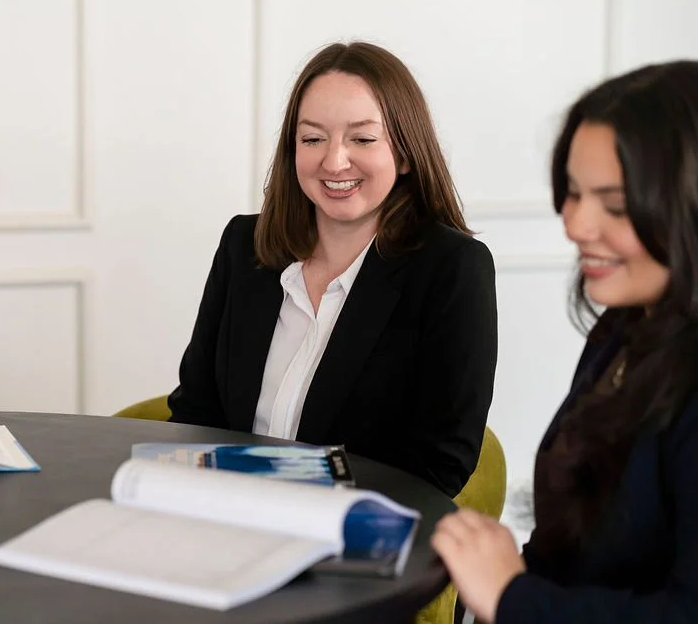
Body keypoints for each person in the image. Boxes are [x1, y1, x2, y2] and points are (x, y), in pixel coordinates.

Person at [167, 41, 498, 497]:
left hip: (349, 533)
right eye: (312, 138)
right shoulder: (243, 246)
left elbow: (440, 464)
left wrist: (276, 488)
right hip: (226, 518)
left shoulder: (452, 269)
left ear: (404, 153)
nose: (334, 161)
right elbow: (195, 414)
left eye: (362, 139)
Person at [432, 61, 698, 623]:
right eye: (572, 194)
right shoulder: (621, 331)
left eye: (615, 204)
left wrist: (511, 596)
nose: (575, 224)